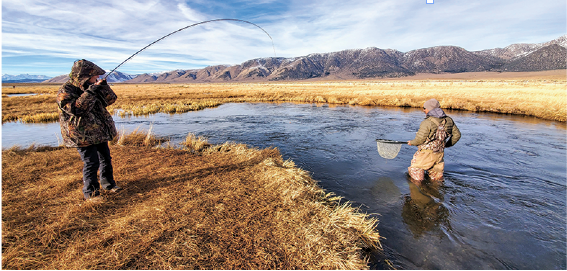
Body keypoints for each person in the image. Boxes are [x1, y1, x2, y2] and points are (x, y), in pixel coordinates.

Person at [56, 59, 121, 200]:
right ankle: (91, 194)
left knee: (105, 158)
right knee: (91, 162)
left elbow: (110, 100)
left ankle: (109, 185)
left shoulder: (91, 86)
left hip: (99, 131)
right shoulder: (66, 90)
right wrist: (91, 92)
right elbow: (75, 109)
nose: (96, 78)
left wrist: (103, 87)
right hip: (81, 134)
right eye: (94, 76)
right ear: (84, 76)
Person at [407, 99, 461, 184]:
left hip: (425, 155)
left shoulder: (427, 122)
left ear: (429, 109)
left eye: (424, 108)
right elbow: (457, 135)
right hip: (439, 155)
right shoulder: (448, 120)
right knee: (436, 181)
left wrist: (412, 142)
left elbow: (419, 140)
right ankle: (436, 193)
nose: (423, 110)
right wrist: (446, 145)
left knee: (415, 176)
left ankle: (418, 194)